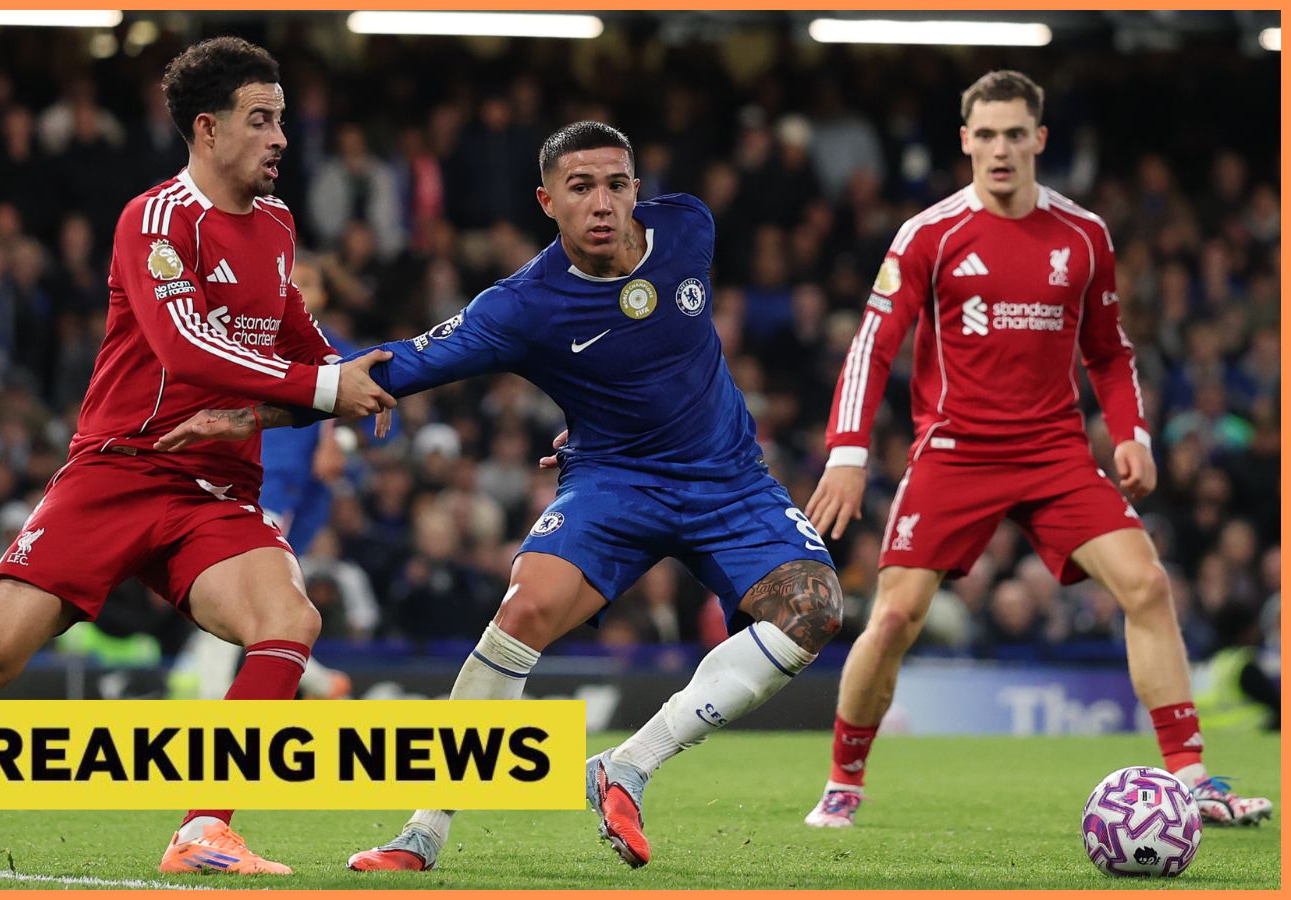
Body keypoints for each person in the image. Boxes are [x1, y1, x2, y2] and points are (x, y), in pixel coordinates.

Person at [155, 121, 844, 871]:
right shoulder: (523, 306)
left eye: (616, 184)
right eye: (580, 188)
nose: (602, 203)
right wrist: (250, 413)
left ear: (637, 191)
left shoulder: (687, 226)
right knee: (524, 610)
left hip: (729, 480)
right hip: (614, 484)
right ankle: (422, 831)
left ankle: (628, 765)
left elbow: (671, 353)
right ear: (547, 202)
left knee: (811, 610)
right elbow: (393, 369)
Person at [0, 36, 395, 876]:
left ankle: (203, 828)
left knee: (290, 619)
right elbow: (187, 348)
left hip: (213, 487)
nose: (280, 138)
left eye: (279, 120)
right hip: (117, 470)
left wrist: (371, 374)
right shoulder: (154, 220)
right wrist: (326, 387)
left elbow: (300, 339)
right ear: (207, 128)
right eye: (260, 120)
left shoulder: (275, 225)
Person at [800, 70, 1271, 829]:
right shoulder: (928, 235)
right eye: (985, 135)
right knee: (893, 619)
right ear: (964, 141)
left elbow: (1109, 351)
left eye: (1014, 134)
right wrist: (848, 452)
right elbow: (871, 346)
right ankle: (842, 781)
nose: (1000, 150)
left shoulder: (1083, 235)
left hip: (1054, 453)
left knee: (1147, 585)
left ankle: (1190, 780)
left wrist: (1132, 433)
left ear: (1039, 140)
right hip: (955, 452)